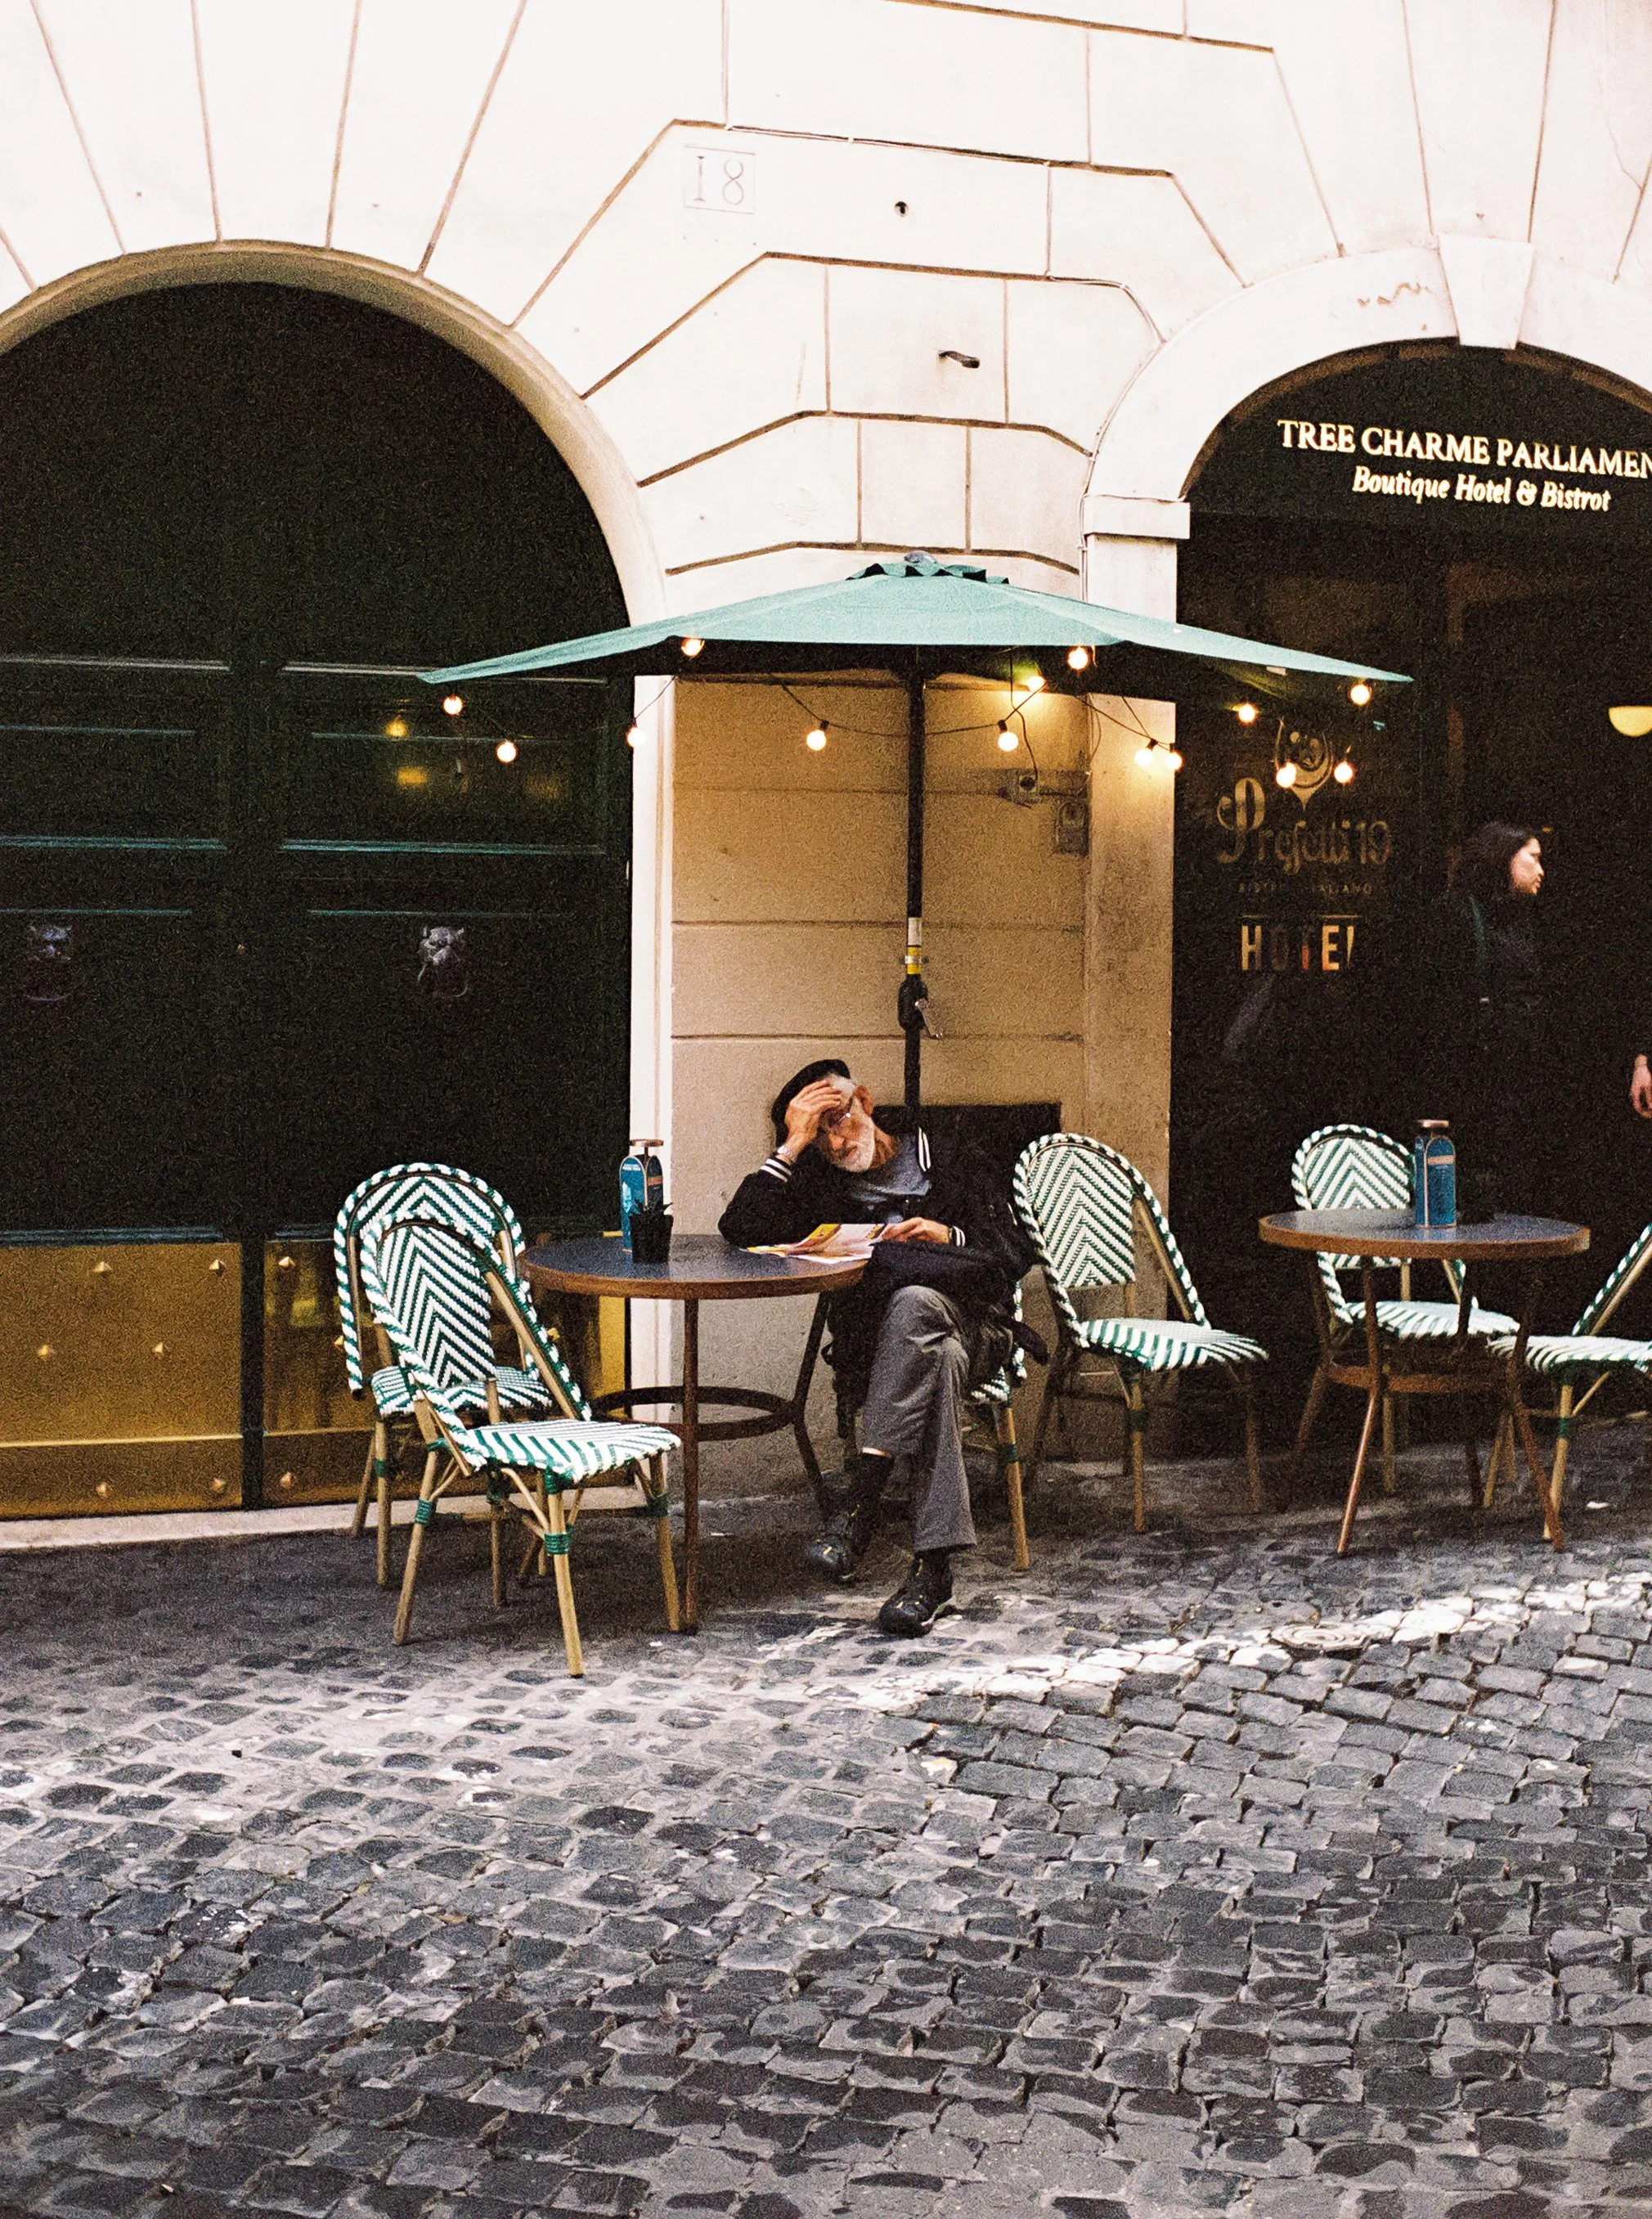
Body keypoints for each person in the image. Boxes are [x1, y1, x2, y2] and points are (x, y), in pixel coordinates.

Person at [718, 1059, 1035, 1636]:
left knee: (919, 1306)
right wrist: (791, 1144)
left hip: (977, 1326)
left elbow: (1016, 1250)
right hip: (900, 1350)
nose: (837, 1140)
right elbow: (740, 1226)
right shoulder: (820, 1184)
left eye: (838, 1118)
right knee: (929, 1350)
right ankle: (932, 1572)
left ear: (864, 1099)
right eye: (820, 1133)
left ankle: (859, 1505)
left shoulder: (950, 1153)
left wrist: (949, 1234)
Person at [1416, 822, 1546, 1218]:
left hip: (1509, 1088)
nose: (1541, 871)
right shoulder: (1456, 917)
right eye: (1534, 859)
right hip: (1474, 1094)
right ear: (1505, 858)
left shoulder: (1518, 921)